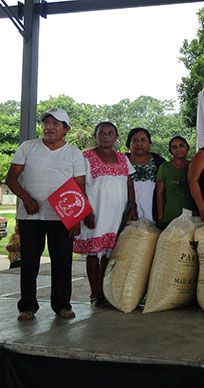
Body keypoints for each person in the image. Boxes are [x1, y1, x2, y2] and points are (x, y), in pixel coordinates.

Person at [6, 108, 86, 321]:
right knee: (29, 262)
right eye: (46, 123)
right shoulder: (28, 147)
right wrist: (26, 198)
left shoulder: (74, 153)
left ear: (66, 129)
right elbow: (11, 178)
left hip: (62, 217)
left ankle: (62, 305)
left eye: (56, 124)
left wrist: (76, 218)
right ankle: (27, 306)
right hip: (30, 216)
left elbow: (80, 188)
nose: (49, 127)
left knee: (62, 262)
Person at [74, 122, 137, 307]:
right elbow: (79, 185)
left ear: (116, 137)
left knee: (109, 254)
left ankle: (106, 291)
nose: (106, 136)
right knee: (94, 253)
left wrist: (132, 206)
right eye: (102, 133)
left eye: (110, 133)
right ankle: (95, 293)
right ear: (96, 136)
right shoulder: (86, 157)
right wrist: (85, 211)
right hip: (95, 212)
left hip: (118, 213)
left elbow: (129, 183)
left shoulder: (122, 158)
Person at [156, 136, 196, 230]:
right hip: (171, 215)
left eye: (181, 145)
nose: (178, 149)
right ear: (170, 151)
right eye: (174, 147)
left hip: (192, 216)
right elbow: (159, 194)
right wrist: (160, 216)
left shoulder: (194, 166)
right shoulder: (165, 167)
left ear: (187, 148)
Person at [125, 128, 165, 221]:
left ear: (149, 143)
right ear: (128, 144)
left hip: (153, 213)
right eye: (135, 140)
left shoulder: (158, 161)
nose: (139, 144)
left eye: (143, 140)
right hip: (127, 213)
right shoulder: (121, 161)